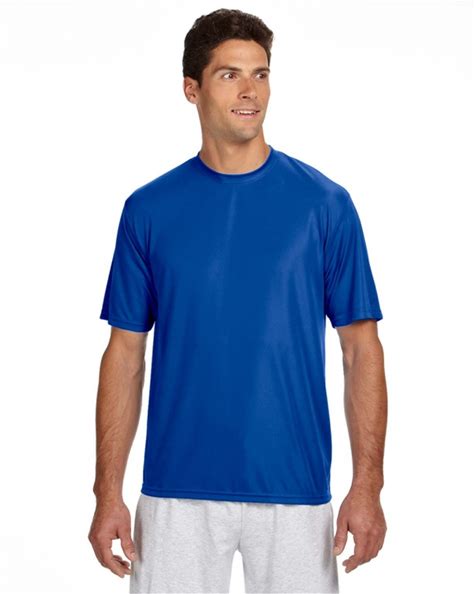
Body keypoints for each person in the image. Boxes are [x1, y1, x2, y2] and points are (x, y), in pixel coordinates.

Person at [88, 8, 388, 594]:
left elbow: (361, 350)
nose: (251, 91)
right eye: (230, 75)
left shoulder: (324, 205)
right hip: (175, 492)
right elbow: (124, 355)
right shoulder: (149, 210)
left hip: (295, 490)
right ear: (191, 89)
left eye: (261, 74)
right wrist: (107, 493)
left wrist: (368, 486)